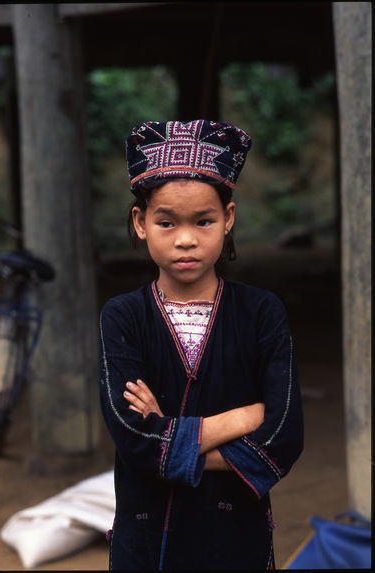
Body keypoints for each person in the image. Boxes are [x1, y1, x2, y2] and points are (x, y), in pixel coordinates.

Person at [99, 120, 304, 571]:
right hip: (146, 540)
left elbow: (283, 438)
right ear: (140, 222)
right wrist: (243, 416)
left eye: (204, 221)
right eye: (166, 222)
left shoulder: (261, 312)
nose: (186, 238)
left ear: (228, 219)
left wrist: (166, 434)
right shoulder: (123, 316)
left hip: (236, 538)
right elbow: (134, 439)